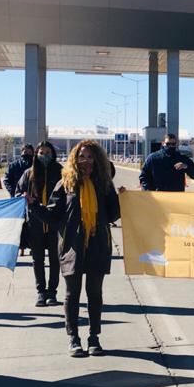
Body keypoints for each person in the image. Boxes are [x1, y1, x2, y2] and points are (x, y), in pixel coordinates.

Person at [29, 140, 123, 357]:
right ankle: (73, 338)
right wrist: (34, 206)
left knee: (95, 293)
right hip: (72, 244)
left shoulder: (104, 184)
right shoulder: (66, 184)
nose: (85, 160)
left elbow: (113, 214)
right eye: (81, 156)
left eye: (90, 157)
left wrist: (122, 198)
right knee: (72, 293)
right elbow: (54, 216)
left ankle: (94, 337)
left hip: (98, 243)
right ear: (74, 158)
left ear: (97, 159)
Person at [17, 141, 62, 307]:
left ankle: (52, 293)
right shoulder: (29, 173)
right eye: (41, 152)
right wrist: (22, 196)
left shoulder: (60, 172)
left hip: (54, 224)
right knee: (37, 260)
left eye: (48, 152)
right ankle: (41, 292)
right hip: (34, 224)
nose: (44, 155)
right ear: (36, 154)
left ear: (53, 153)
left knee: (55, 259)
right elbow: (17, 192)